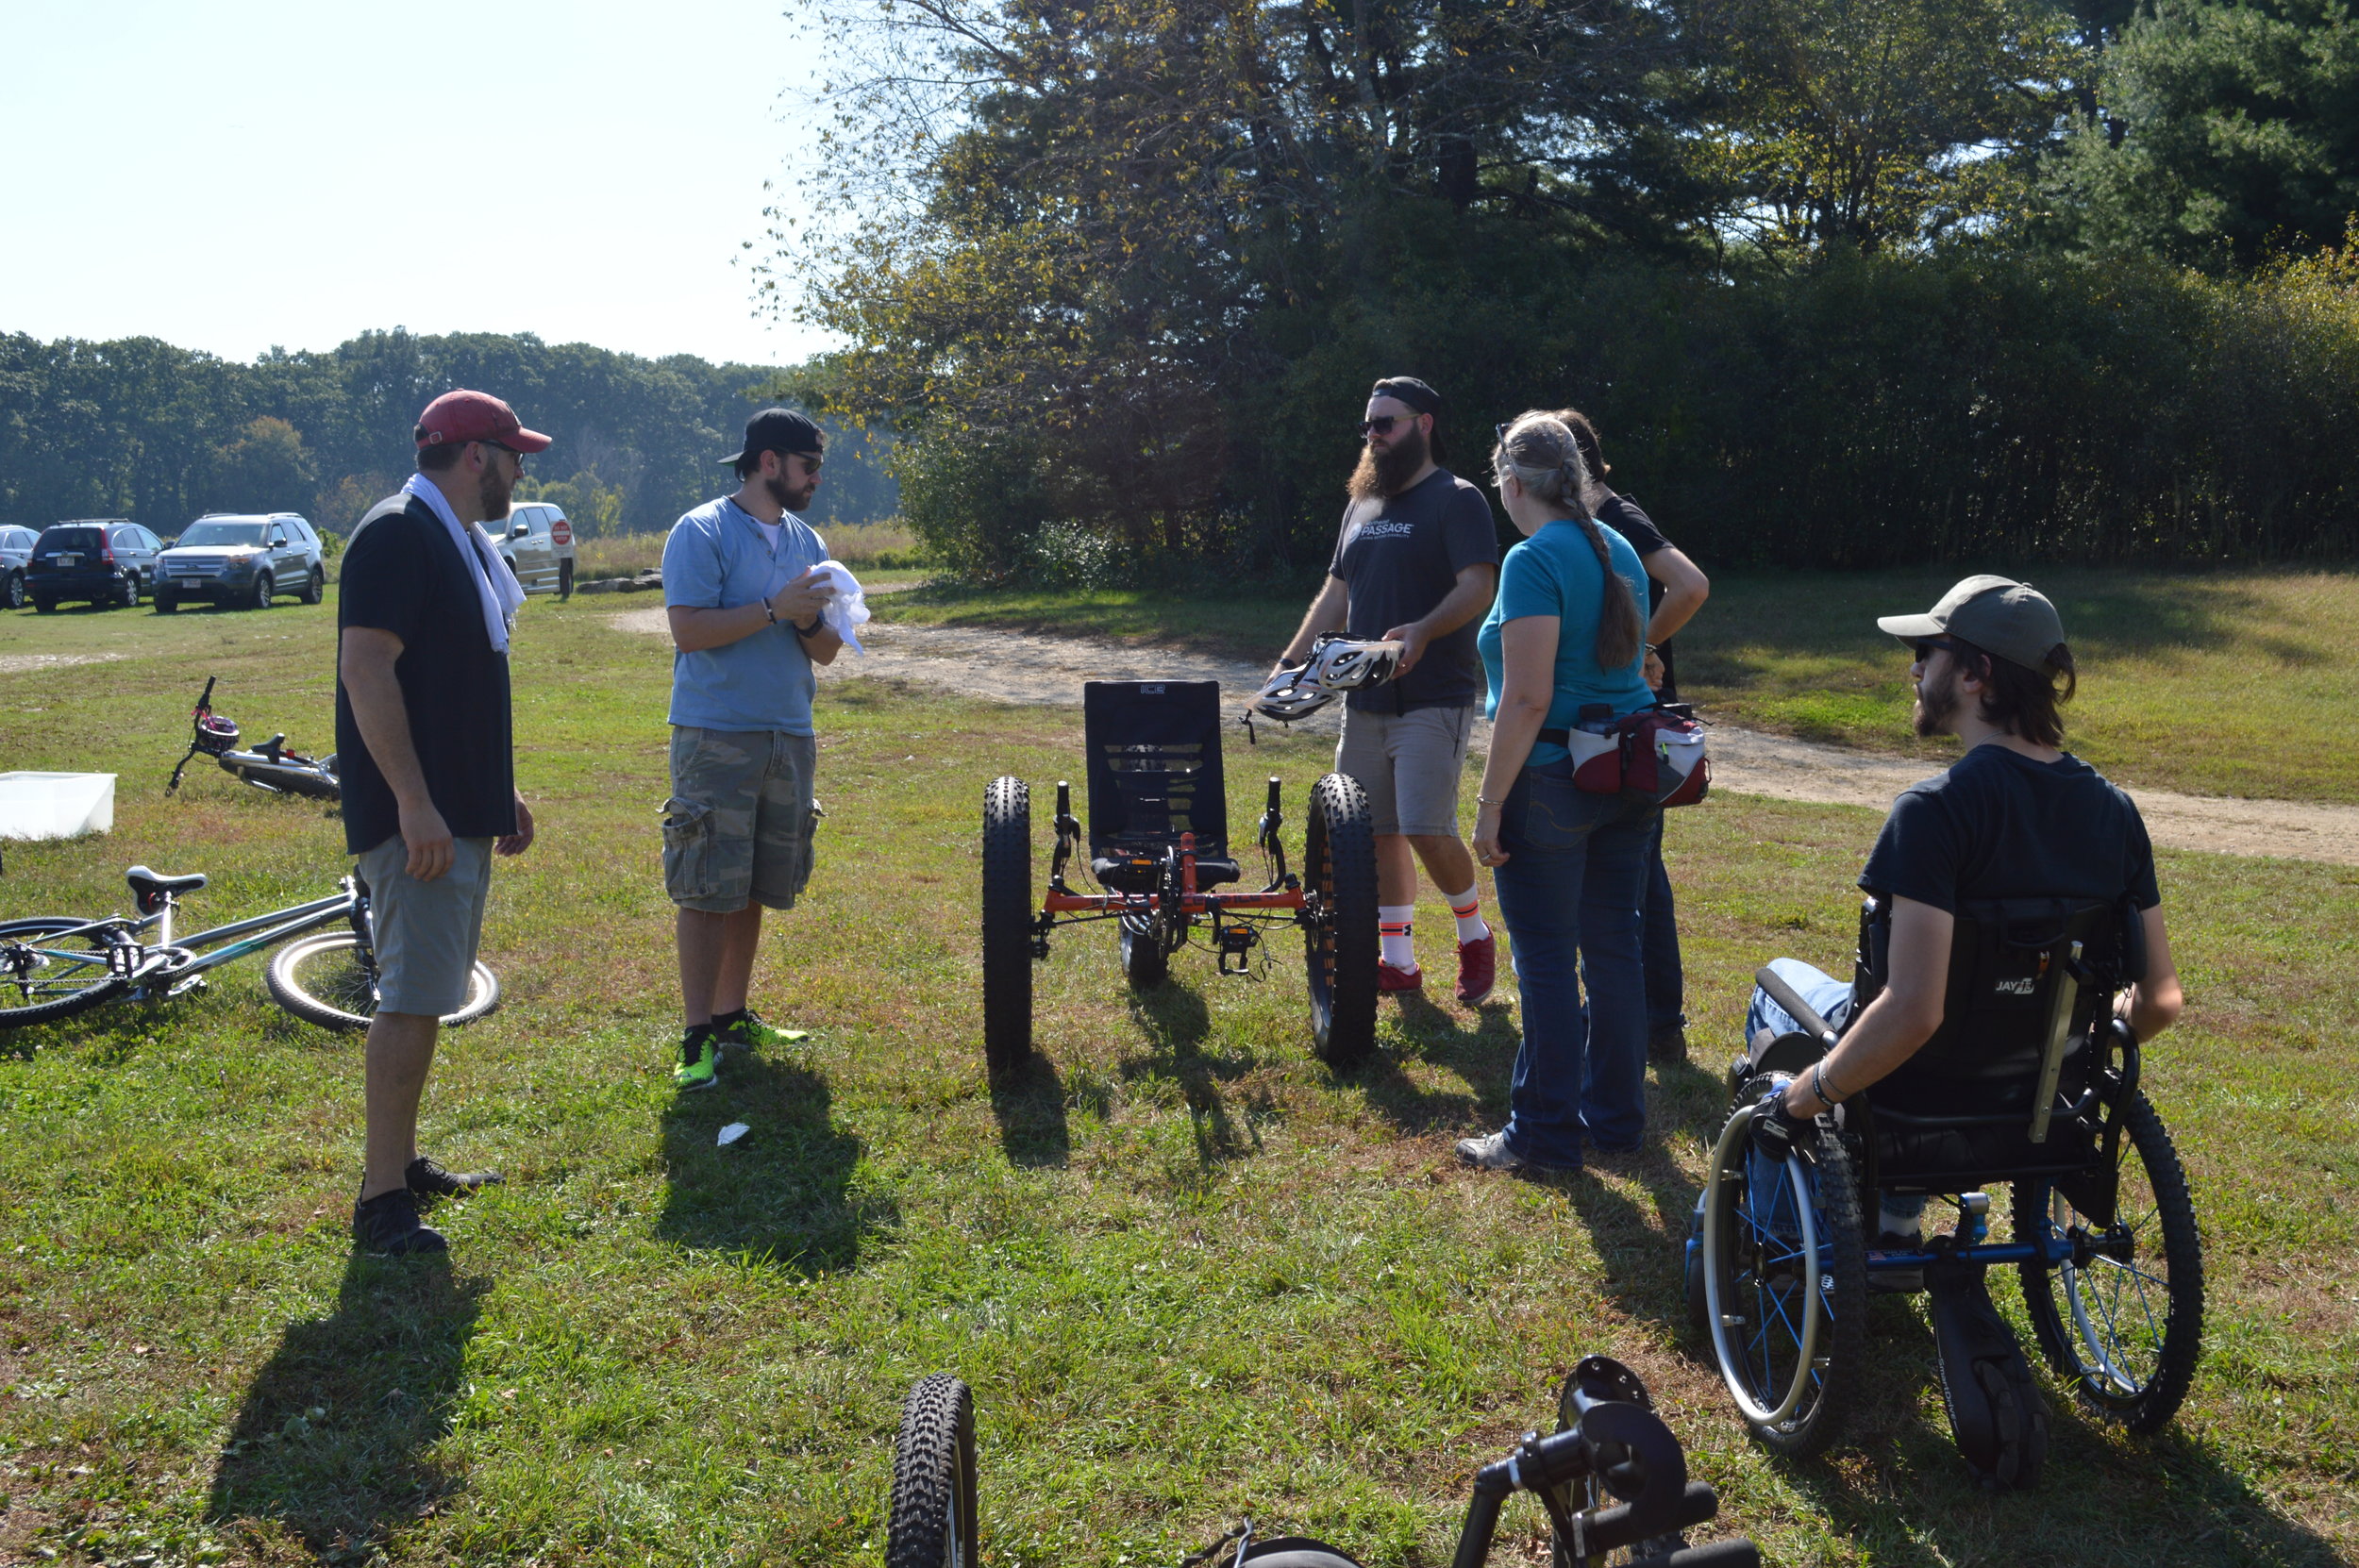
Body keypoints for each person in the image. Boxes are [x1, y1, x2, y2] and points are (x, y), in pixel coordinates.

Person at [1746, 575, 2183, 1260]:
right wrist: (2069, 1037)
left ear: (1978, 674)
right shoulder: (2116, 813)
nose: (1914, 669)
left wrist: (1807, 1094)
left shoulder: (1934, 813)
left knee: (1777, 983)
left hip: (1913, 1095)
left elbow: (1916, 1012)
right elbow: (2159, 999)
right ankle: (1894, 1219)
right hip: (2038, 1096)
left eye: (1929, 651)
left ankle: (1776, 1247)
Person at [337, 390, 546, 1255]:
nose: (520, 470)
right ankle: (381, 1200)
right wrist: (416, 804)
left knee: (427, 998)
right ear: (477, 457)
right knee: (412, 1002)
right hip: (415, 820)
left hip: (455, 813)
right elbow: (367, 671)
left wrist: (495, 794)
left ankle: (401, 1163)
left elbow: (454, 688)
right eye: (513, 454)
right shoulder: (398, 532)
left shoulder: (454, 538)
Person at [1455, 412, 1662, 1172]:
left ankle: (1542, 1133)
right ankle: (1615, 1122)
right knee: (1613, 951)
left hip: (1551, 779)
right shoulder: (1619, 551)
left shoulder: (1532, 558)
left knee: (1543, 958)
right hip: (1627, 774)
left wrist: (1486, 803)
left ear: (1512, 484)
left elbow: (1529, 697)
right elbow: (1634, 666)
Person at [1273, 377, 1502, 1005]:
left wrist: (1425, 631)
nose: (1373, 437)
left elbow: (1479, 586)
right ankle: (1397, 961)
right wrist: (1291, 664)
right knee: (1374, 832)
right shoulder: (1360, 506)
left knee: (1428, 826)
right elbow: (1335, 596)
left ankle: (1474, 933)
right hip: (1363, 699)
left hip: (1434, 695)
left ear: (1424, 424)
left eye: (1386, 424)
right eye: (1368, 426)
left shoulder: (1457, 499)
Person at [661, 409, 845, 1092]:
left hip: (789, 733)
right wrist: (774, 606)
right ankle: (695, 1037)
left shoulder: (806, 538)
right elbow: (687, 631)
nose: (816, 479)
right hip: (717, 731)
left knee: (753, 884)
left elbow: (826, 651)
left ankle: (732, 1014)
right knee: (709, 882)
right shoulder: (702, 530)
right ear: (769, 463)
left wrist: (805, 619)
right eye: (807, 466)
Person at [1553, 409, 1709, 1063]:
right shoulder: (1584, 524)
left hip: (1632, 726)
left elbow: (1691, 584)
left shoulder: (1614, 515)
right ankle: (1655, 1023)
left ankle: (1654, 1021)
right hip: (1622, 727)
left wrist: (1644, 644)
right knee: (1640, 875)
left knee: (1634, 877)